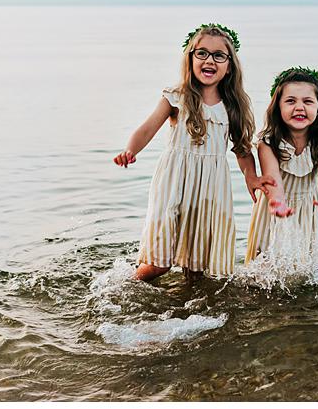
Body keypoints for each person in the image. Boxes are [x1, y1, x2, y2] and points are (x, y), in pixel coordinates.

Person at [114, 23, 273, 282]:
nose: (209, 60)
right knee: (158, 263)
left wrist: (252, 177)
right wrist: (130, 150)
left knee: (198, 267)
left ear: (229, 65)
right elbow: (147, 129)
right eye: (202, 53)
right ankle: (125, 288)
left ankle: (188, 312)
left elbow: (242, 150)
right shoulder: (176, 97)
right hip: (174, 183)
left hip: (211, 189)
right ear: (190, 58)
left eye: (219, 55)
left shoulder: (233, 107)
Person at [245, 67, 318, 263]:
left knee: (304, 264)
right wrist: (278, 201)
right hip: (274, 207)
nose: (300, 107)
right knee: (264, 266)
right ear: (278, 108)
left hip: (304, 209)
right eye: (291, 101)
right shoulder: (268, 143)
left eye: (308, 101)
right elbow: (272, 177)